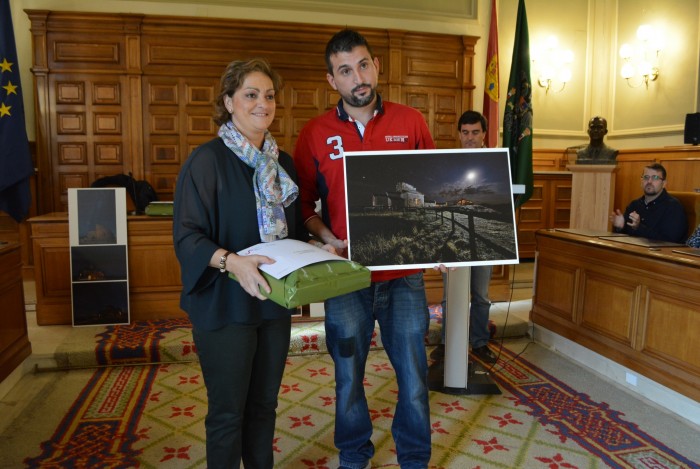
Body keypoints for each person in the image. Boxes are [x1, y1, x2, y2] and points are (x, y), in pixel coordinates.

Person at [294, 29, 433, 469]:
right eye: (346, 70)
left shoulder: (411, 121)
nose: (359, 77)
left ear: (376, 66)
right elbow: (302, 206)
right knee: (348, 376)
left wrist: (441, 247)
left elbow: (431, 193)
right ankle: (354, 456)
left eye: (364, 65)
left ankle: (414, 458)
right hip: (347, 277)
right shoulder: (315, 133)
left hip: (404, 276)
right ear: (331, 79)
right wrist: (326, 237)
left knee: (413, 376)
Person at [172, 58, 306, 468]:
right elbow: (188, 236)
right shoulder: (206, 161)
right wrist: (233, 263)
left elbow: (293, 233)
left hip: (272, 301)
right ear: (229, 102)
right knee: (229, 413)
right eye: (250, 94)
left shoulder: (282, 165)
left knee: (265, 406)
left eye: (268, 96)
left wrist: (319, 247)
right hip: (225, 305)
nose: (262, 103)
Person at [435, 110, 497, 364]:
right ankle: (447, 342)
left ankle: (480, 342)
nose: (470, 137)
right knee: (451, 295)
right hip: (454, 235)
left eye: (475, 132)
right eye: (465, 132)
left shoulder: (495, 165)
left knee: (480, 295)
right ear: (459, 134)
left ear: (484, 134)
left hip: (483, 236)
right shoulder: (448, 163)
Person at [611, 163, 687, 242]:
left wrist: (638, 227)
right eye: (646, 177)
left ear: (664, 183)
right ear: (641, 181)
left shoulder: (673, 207)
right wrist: (621, 226)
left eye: (655, 177)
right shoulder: (634, 205)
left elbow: (669, 241)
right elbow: (625, 237)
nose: (649, 181)